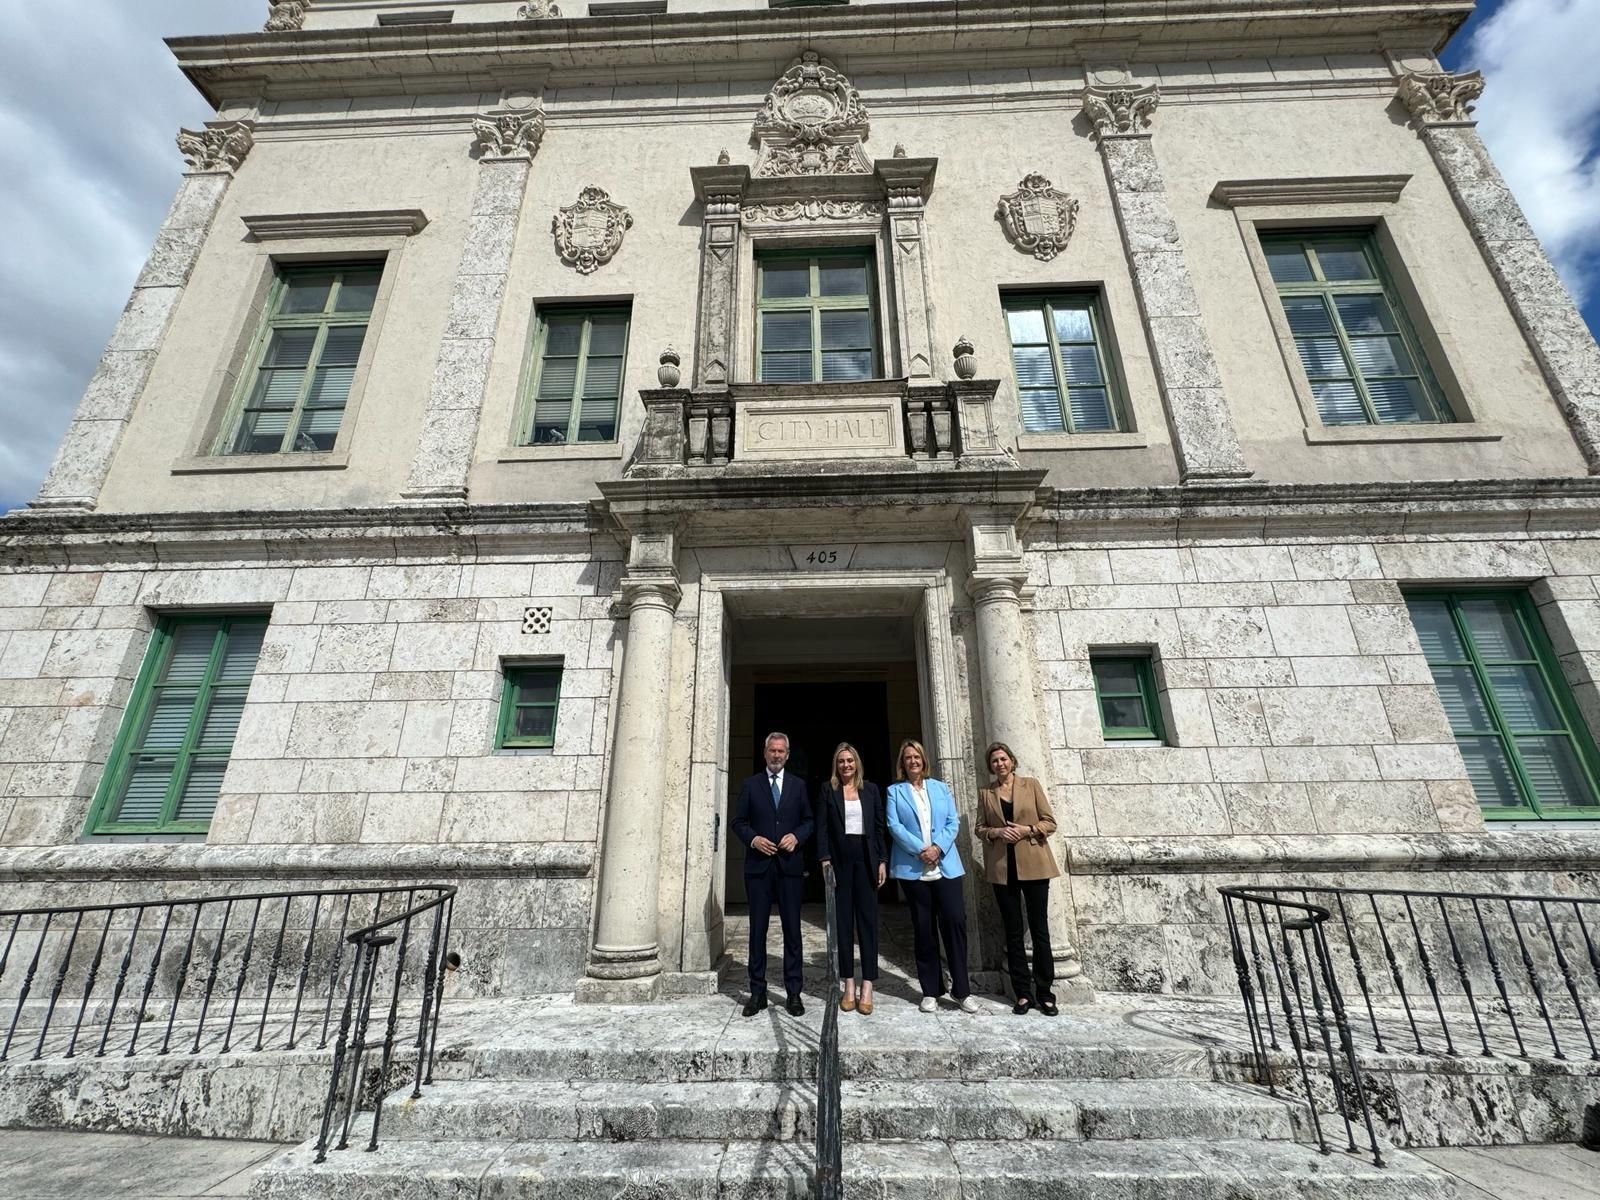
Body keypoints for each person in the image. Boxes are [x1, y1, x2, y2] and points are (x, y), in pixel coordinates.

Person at [885, 738, 978, 1014]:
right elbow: (894, 825)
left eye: (916, 757)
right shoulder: (895, 792)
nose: (913, 761)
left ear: (923, 760)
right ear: (902, 763)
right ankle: (930, 990)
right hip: (914, 870)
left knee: (954, 923)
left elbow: (953, 821)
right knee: (923, 929)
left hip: (945, 866)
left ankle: (962, 990)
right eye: (907, 758)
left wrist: (937, 848)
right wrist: (921, 850)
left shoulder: (940, 788)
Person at [731, 731, 814, 1017]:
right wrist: (753, 839)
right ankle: (757, 992)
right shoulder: (751, 785)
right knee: (758, 931)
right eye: (772, 751)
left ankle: (793, 993)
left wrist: (797, 837)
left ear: (788, 754)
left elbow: (809, 821)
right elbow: (738, 822)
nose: (777, 756)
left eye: (781, 751)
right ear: (765, 753)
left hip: (789, 868)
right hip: (759, 868)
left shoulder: (798, 786)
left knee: (792, 931)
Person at [975, 741, 1061, 1016]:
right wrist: (997, 833)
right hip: (1003, 868)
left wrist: (1028, 829)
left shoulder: (1031, 785)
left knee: (1039, 930)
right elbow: (980, 828)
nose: (999, 764)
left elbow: (1050, 822)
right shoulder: (986, 793)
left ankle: (1045, 993)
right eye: (994, 761)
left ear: (1012, 761)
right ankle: (1022, 993)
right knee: (1012, 932)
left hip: (1034, 864)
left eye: (1003, 759)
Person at [816, 742, 887, 1015]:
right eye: (841, 761)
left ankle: (867, 985)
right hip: (840, 865)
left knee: (868, 924)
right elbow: (822, 827)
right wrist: (824, 859)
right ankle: (848, 984)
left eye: (850, 761)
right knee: (844, 925)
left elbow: (879, 828)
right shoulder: (828, 790)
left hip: (867, 863)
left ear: (857, 763)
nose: (846, 765)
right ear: (836, 765)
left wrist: (882, 861)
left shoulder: (870, 790)